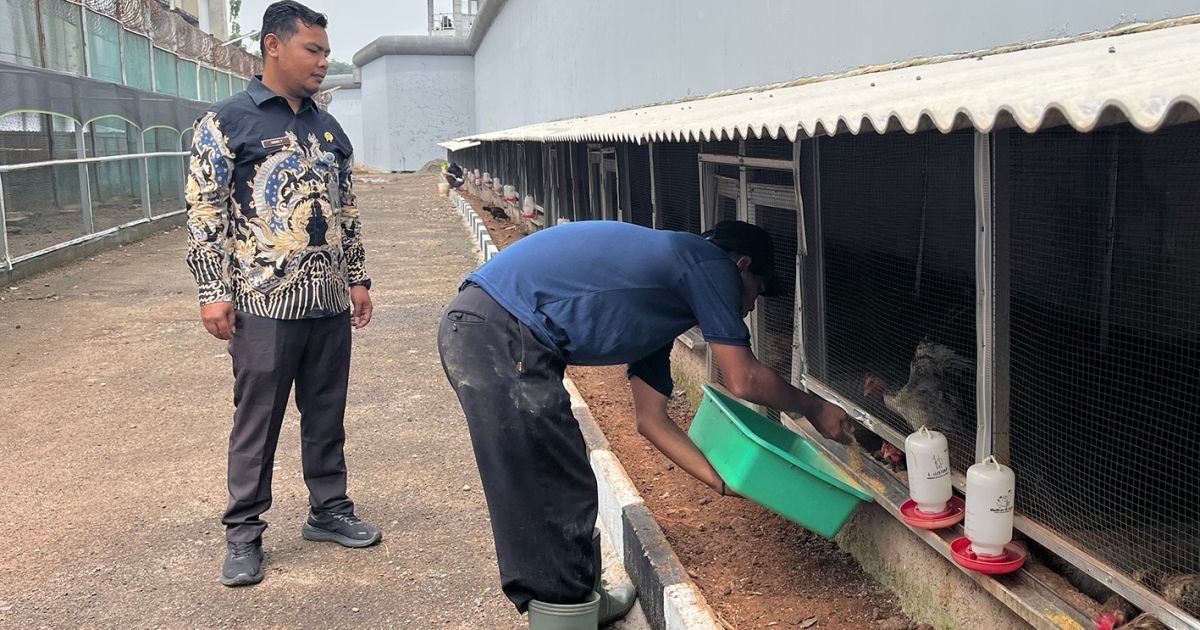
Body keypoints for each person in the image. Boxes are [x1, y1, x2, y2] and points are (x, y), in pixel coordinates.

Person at [437, 220, 854, 627]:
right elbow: (743, 379)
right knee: (546, 489)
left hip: (491, 329)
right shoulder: (709, 264)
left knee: (566, 475)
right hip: (499, 332)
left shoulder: (664, 302)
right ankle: (564, 614)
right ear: (741, 265)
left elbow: (650, 420)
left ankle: (583, 601)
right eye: (757, 291)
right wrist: (814, 409)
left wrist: (724, 480)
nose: (749, 306)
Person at [185, 0, 380, 588]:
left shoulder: (327, 126)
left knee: (327, 414)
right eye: (312, 50)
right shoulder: (227, 122)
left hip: (327, 305)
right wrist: (212, 289)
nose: (323, 62)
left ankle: (329, 511)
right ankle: (244, 534)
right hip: (264, 305)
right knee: (258, 420)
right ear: (274, 46)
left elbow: (346, 208)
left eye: (325, 51)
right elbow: (203, 212)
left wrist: (357, 277)